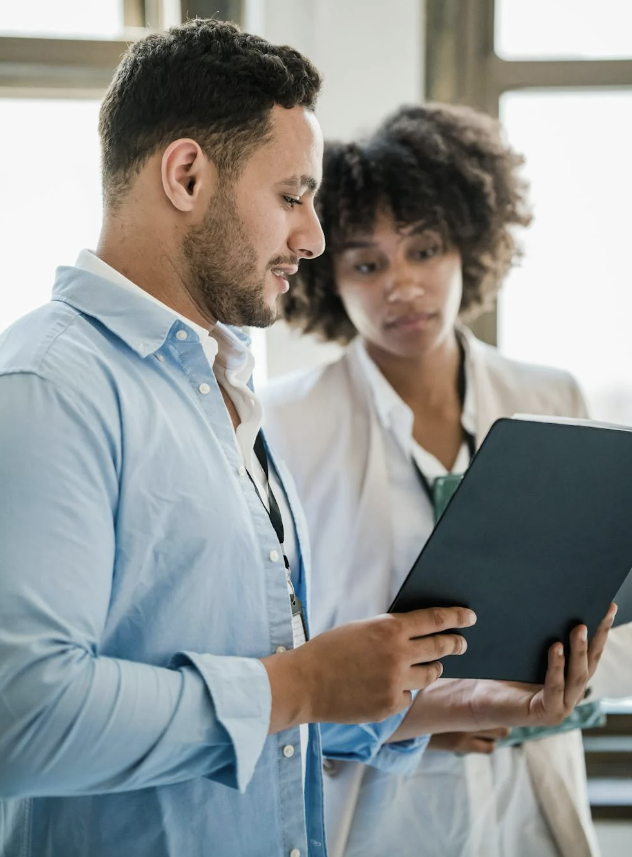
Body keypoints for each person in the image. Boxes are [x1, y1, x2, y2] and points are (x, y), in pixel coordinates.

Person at [0, 24, 612, 857]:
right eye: (293, 196)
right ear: (186, 175)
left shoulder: (221, 386)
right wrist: (296, 683)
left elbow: (278, 724)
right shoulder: (49, 387)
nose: (313, 238)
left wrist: (472, 706)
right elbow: (20, 716)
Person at [262, 103, 632, 857]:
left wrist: (552, 687)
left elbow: (609, 604)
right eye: (367, 263)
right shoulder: (285, 425)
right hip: (381, 812)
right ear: (328, 278)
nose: (401, 285)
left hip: (532, 797)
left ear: (468, 246)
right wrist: (426, 714)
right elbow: (282, 650)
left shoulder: (552, 397)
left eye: (424, 250)